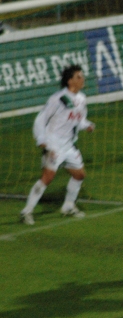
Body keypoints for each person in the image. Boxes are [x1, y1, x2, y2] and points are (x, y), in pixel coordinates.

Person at [20, 65, 95, 225]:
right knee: (48, 178)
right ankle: (26, 211)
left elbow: (78, 119)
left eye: (82, 76)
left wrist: (86, 125)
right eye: (78, 77)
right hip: (53, 144)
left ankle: (68, 206)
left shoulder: (81, 98)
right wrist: (42, 140)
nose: (82, 79)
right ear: (70, 81)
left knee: (79, 175)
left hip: (68, 145)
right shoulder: (58, 98)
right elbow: (41, 119)